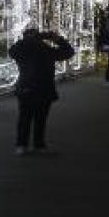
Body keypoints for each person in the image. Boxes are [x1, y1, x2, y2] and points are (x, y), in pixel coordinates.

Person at [9, 27, 75, 155]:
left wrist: (26, 39)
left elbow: (12, 51)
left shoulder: (21, 50)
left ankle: (21, 144)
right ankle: (38, 144)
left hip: (25, 87)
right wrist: (57, 39)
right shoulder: (47, 50)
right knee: (41, 118)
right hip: (44, 88)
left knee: (24, 118)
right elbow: (69, 52)